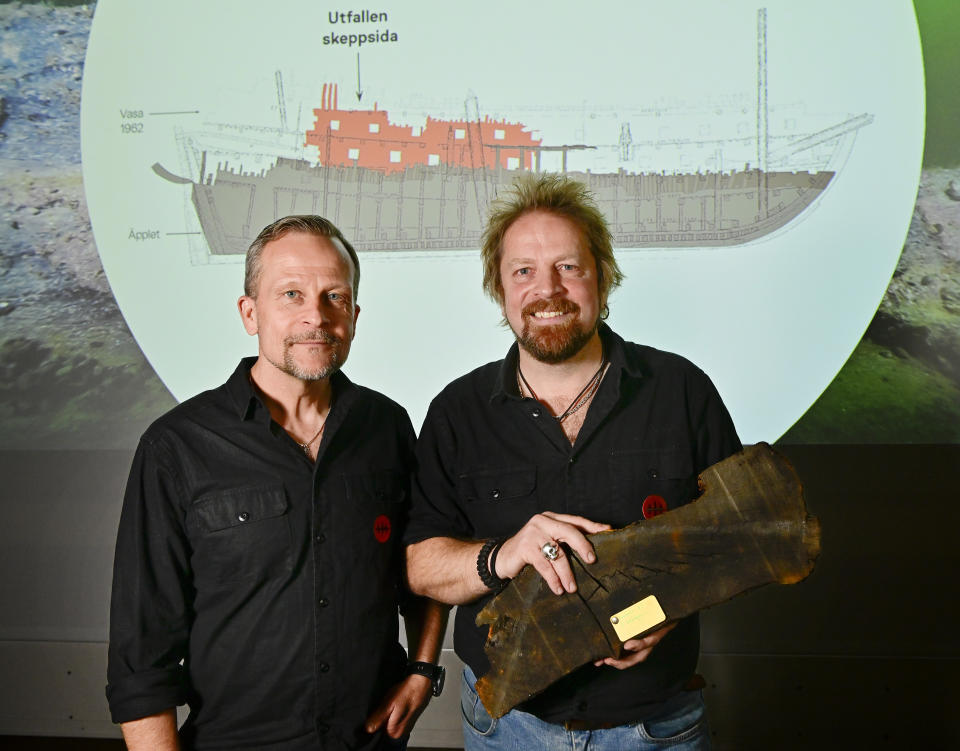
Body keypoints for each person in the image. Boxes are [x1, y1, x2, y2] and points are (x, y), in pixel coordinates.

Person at [404, 174, 741, 750]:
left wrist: (672, 607)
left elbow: (739, 534)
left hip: (655, 727)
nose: (547, 290)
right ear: (500, 288)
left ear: (602, 277)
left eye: (569, 266)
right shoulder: (457, 412)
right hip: (505, 728)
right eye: (524, 271)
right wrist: (505, 554)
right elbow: (421, 566)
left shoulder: (681, 390)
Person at [107, 215, 448, 751]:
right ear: (249, 312)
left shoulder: (388, 427)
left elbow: (428, 558)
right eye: (291, 294)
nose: (316, 316)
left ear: (354, 316)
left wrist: (424, 668)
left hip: (371, 742)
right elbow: (140, 649)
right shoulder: (176, 447)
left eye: (334, 296)